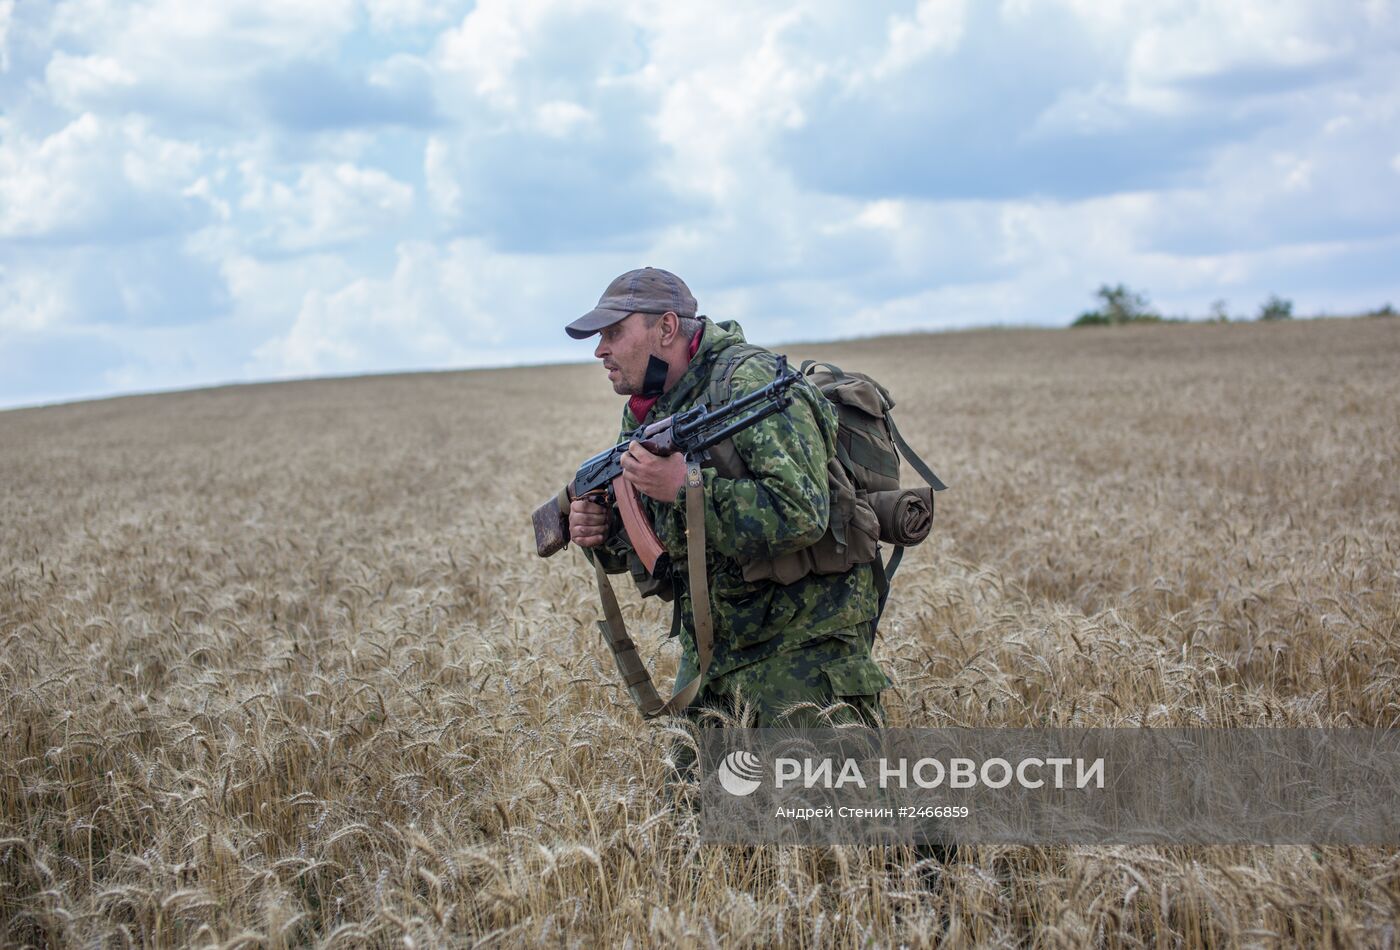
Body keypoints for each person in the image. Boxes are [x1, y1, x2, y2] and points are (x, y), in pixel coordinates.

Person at [564, 267, 891, 729]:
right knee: (686, 803)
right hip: (713, 655)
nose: (600, 349)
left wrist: (686, 487)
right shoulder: (647, 410)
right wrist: (602, 531)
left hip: (803, 653)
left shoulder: (750, 381)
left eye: (614, 332)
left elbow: (802, 512)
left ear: (667, 327)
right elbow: (658, 541)